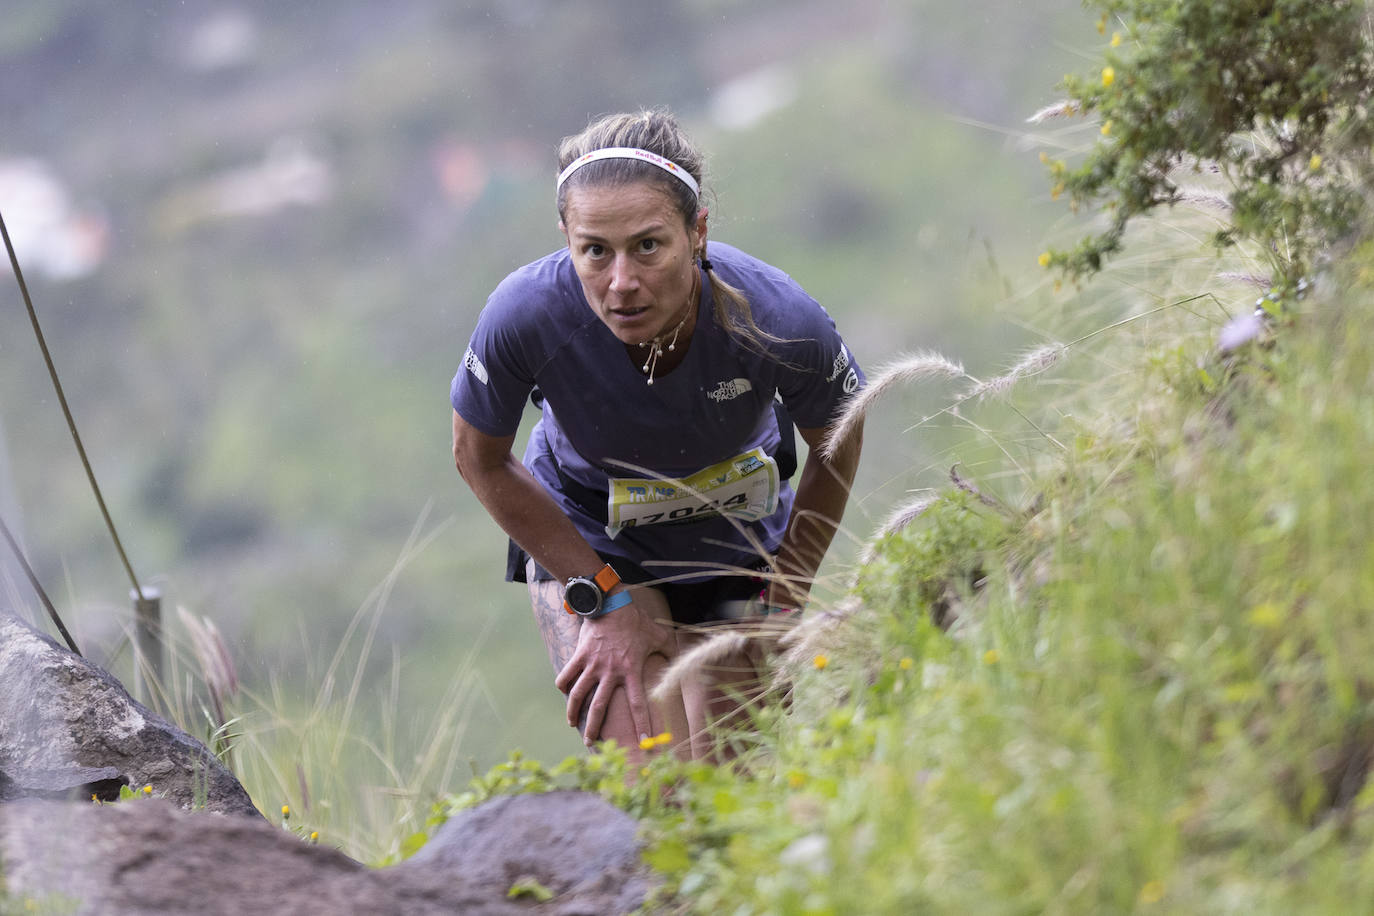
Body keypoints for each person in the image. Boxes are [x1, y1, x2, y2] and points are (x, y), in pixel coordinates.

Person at [450, 109, 864, 761]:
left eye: (648, 245)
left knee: (738, 783)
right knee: (656, 785)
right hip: (593, 544)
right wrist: (599, 598)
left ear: (697, 231)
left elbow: (838, 440)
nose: (622, 283)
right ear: (566, 239)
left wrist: (787, 594)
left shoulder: (777, 318)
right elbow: (478, 459)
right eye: (595, 251)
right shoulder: (524, 318)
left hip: (737, 543)